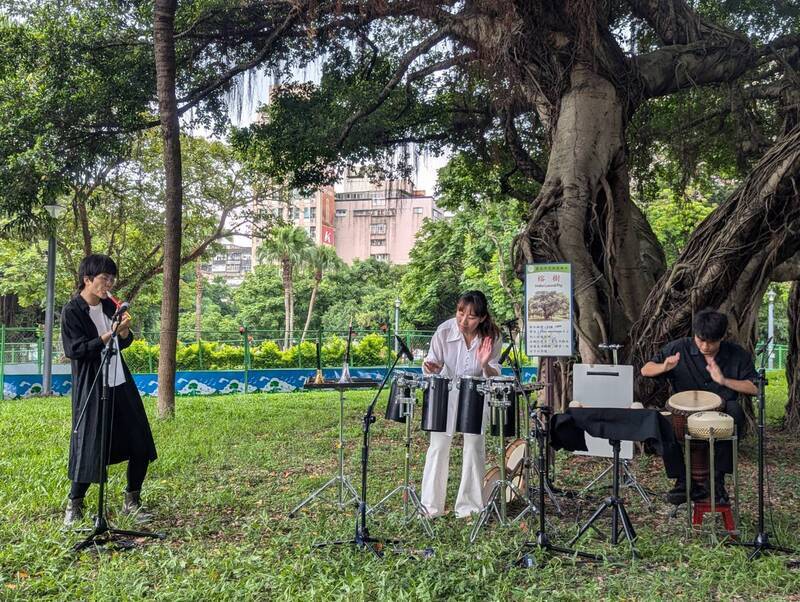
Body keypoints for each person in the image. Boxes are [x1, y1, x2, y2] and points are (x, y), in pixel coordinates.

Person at [61, 254, 158, 526]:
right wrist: (109, 334)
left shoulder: (109, 305)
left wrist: (124, 333)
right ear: (87, 279)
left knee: (140, 442)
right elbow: (75, 350)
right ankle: (75, 504)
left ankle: (132, 501)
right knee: (90, 447)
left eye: (112, 279)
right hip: (92, 387)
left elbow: (123, 343)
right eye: (104, 278)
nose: (109, 284)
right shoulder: (72, 311)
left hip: (120, 382)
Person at [641, 308, 757, 505]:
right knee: (658, 421)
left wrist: (724, 380)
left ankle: (717, 481)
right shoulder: (678, 348)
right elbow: (646, 370)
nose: (705, 346)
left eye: (711, 342)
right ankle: (682, 481)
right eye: (700, 339)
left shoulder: (737, 354)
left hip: (720, 411)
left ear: (722, 337)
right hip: (683, 413)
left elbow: (755, 388)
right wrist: (664, 367)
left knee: (734, 412)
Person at [420, 290, 502, 518]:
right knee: (438, 447)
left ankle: (469, 508)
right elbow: (431, 362)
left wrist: (485, 364)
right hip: (445, 393)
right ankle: (430, 507)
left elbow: (494, 374)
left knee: (474, 448)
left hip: (476, 394)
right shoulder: (444, 331)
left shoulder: (492, 337)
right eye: (460, 313)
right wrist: (431, 368)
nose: (464, 321)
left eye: (472, 316)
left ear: (483, 318)